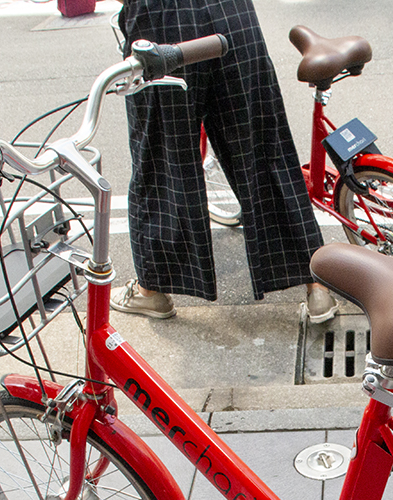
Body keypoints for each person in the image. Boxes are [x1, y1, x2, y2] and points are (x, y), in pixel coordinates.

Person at [112, 0, 338, 323]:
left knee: (162, 155)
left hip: (160, 20)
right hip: (232, 13)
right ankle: (317, 283)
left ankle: (152, 290)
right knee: (263, 145)